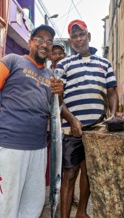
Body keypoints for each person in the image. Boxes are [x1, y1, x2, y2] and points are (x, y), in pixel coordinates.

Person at [0, 24, 64, 218]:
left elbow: (55, 110)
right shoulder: (12, 61)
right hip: (7, 147)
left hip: (38, 149)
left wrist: (61, 94)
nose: (45, 44)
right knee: (0, 206)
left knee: (31, 206)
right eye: (40, 39)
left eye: (49, 41)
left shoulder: (51, 77)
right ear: (30, 42)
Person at [55, 19, 120, 218]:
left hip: (97, 127)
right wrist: (72, 120)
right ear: (70, 41)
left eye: (81, 34)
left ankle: (81, 212)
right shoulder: (63, 64)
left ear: (88, 36)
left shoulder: (104, 63)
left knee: (89, 171)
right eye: (74, 36)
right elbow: (58, 97)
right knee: (69, 173)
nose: (78, 39)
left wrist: (113, 114)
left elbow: (112, 92)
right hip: (71, 128)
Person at [46, 44, 67, 187]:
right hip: (49, 125)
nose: (58, 56)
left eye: (61, 53)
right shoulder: (46, 73)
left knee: (64, 159)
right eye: (55, 53)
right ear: (49, 56)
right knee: (49, 160)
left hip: (65, 124)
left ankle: (65, 190)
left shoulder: (68, 72)